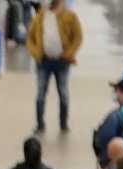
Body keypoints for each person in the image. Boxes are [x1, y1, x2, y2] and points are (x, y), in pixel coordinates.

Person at [30, 0, 83, 134]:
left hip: (62, 62)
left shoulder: (70, 16)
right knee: (40, 94)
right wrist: (36, 53)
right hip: (43, 62)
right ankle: (40, 124)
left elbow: (78, 37)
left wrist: (69, 54)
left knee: (63, 93)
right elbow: (30, 37)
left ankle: (63, 123)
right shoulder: (40, 16)